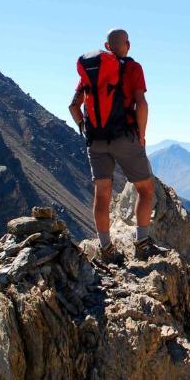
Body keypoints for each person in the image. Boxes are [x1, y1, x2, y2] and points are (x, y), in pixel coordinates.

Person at [68, 28, 157, 262]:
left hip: (96, 140)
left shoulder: (92, 73)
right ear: (127, 44)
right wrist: (142, 135)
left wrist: (85, 127)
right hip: (125, 137)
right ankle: (142, 243)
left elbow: (73, 106)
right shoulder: (133, 68)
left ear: (107, 47)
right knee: (145, 190)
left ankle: (106, 249)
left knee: (102, 194)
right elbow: (142, 104)